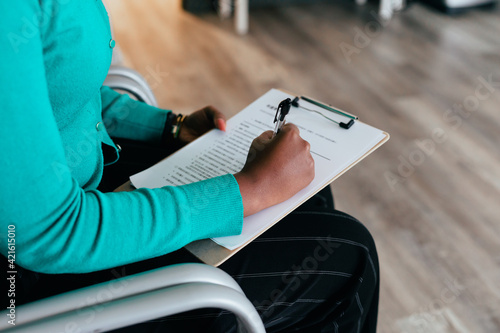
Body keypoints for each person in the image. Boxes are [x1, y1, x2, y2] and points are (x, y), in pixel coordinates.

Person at [0, 2, 379, 332]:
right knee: (350, 257)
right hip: (30, 285)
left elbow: (57, 89)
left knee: (306, 194)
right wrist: (249, 191)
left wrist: (169, 127)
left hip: (71, 184)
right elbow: (47, 233)